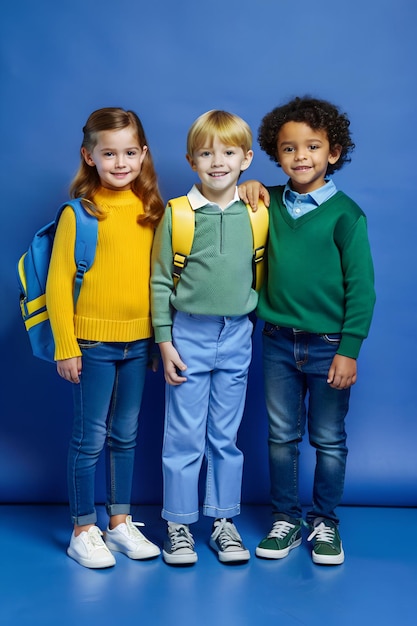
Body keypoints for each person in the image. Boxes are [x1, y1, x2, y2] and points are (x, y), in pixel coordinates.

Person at [239, 96, 375, 565]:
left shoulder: (346, 215)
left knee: (329, 439)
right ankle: (286, 519)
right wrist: (248, 185)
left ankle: (325, 523)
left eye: (312, 147)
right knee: (281, 437)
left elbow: (362, 290)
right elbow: (240, 208)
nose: (301, 157)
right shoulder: (266, 202)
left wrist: (349, 349)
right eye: (289, 148)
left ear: (333, 153)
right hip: (277, 341)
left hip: (329, 346)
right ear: (277, 155)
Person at [46, 107, 165, 568]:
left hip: (138, 345)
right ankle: (83, 527)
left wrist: (155, 341)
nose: (120, 162)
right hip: (91, 345)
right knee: (88, 438)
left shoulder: (152, 211)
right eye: (109, 153)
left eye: (130, 152)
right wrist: (66, 345)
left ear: (143, 154)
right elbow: (58, 284)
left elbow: (157, 280)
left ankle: (119, 524)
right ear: (88, 156)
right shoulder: (80, 213)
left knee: (126, 435)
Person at [151, 110, 258, 565]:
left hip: (238, 334)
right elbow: (158, 282)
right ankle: (178, 524)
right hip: (188, 334)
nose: (218, 161)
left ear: (246, 158)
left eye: (229, 152)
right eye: (206, 153)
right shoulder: (176, 214)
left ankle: (223, 521)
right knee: (184, 435)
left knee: (225, 437)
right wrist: (164, 340)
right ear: (191, 160)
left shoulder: (258, 211)